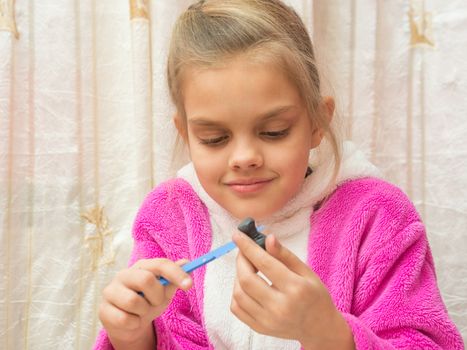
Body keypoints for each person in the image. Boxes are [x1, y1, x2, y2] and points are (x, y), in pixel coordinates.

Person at [93, 0, 464, 349]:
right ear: (186, 134)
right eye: (214, 138)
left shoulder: (377, 217)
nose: (244, 157)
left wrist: (329, 334)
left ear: (318, 121)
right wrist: (133, 335)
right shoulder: (169, 217)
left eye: (273, 132)